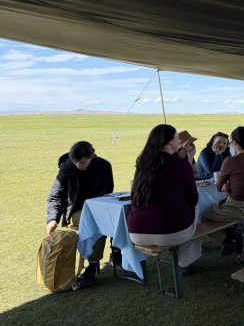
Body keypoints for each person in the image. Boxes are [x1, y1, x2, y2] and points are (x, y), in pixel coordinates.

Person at [127, 124, 202, 273]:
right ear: (169, 142)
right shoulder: (180, 164)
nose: (178, 141)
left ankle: (184, 260)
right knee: (196, 209)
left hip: (136, 232)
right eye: (176, 138)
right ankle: (186, 263)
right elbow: (192, 199)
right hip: (169, 233)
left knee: (180, 213)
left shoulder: (142, 163)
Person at [46, 141, 114, 290]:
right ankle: (93, 265)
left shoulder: (104, 166)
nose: (78, 165)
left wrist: (97, 209)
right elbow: (55, 196)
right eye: (75, 161)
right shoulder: (66, 168)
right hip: (75, 211)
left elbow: (107, 192)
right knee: (94, 225)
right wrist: (52, 219)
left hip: (98, 207)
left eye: (82, 162)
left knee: (113, 220)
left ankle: (117, 255)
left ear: (92, 157)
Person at [202, 126, 244, 254]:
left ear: (234, 143)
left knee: (204, 214)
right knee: (220, 205)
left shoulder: (231, 161)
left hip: (238, 207)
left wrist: (228, 185)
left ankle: (228, 239)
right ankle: (234, 231)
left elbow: (218, 187)